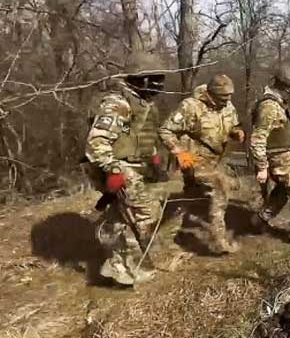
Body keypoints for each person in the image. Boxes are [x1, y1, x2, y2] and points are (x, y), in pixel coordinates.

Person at [85, 69, 165, 286]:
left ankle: (117, 268)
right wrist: (113, 170)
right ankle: (131, 270)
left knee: (124, 218)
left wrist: (155, 159)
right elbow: (96, 142)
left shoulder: (144, 103)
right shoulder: (117, 104)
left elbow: (143, 137)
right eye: (156, 80)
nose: (160, 84)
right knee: (143, 214)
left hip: (139, 166)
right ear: (142, 79)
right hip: (121, 168)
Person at [158, 74, 245, 255]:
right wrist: (179, 152)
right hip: (193, 159)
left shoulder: (228, 106)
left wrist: (236, 132)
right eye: (222, 97)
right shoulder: (191, 107)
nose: (227, 100)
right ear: (210, 94)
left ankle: (166, 236)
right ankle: (218, 242)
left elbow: (233, 124)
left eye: (229, 96)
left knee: (191, 197)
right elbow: (165, 131)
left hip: (214, 159)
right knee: (220, 187)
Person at [250, 65, 290, 244]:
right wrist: (262, 167)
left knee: (284, 190)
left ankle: (260, 219)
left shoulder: (277, 103)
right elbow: (258, 138)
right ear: (286, 87)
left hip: (282, 155)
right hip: (278, 157)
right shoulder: (269, 106)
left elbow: (287, 123)